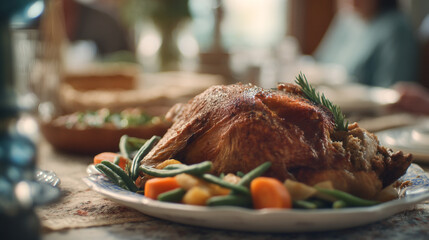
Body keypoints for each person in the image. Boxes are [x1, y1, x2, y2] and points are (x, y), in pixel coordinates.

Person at [314, 0, 418, 87]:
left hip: (361, 110)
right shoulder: (346, 19)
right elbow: (318, 64)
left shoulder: (396, 29)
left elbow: (391, 91)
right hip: (326, 102)